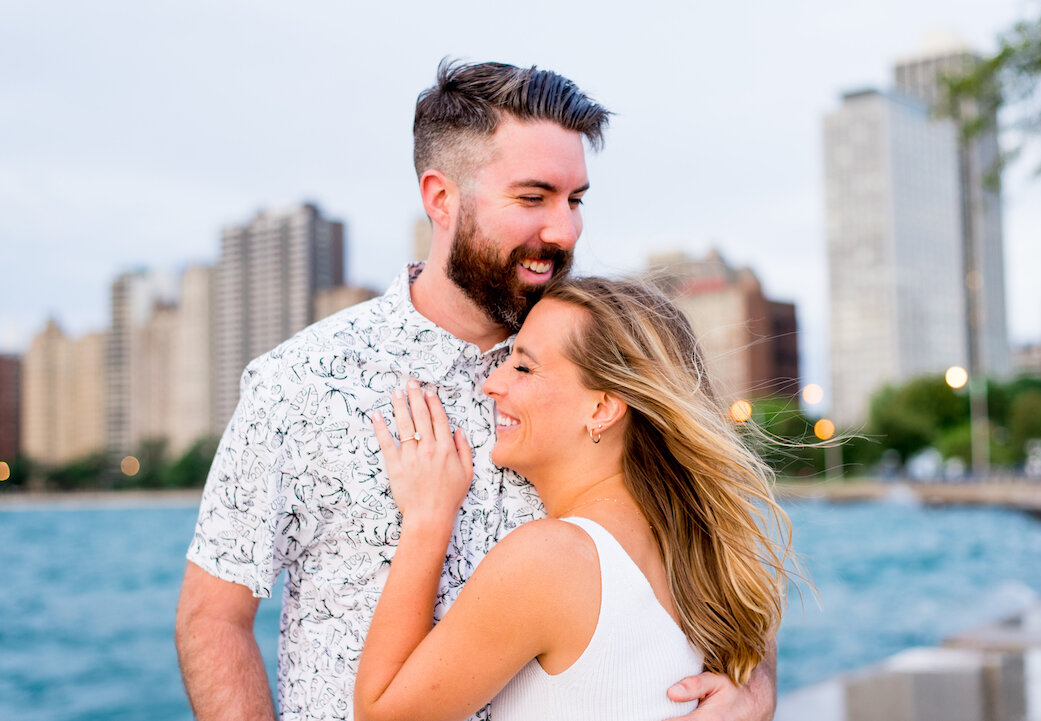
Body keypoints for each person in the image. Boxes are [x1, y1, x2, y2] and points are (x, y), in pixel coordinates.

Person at [175, 59, 778, 721]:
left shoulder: (596, 358)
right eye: (533, 197)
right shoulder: (303, 383)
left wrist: (754, 688)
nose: (566, 229)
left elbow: (712, 532)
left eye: (575, 200)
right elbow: (214, 619)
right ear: (441, 199)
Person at [354, 276, 792, 721]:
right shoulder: (692, 550)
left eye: (523, 368)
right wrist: (758, 690)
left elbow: (381, 716)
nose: (491, 383)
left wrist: (427, 519)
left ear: (601, 409)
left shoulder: (553, 559)